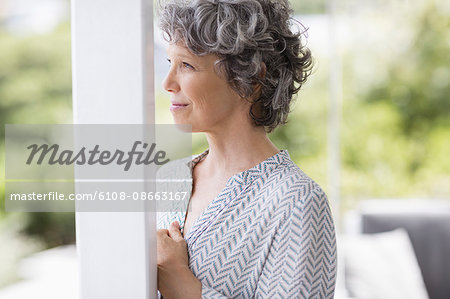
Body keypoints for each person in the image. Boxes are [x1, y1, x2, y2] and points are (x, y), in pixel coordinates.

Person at [156, 0, 337, 298]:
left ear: (251, 78)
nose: (167, 83)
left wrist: (181, 282)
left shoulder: (297, 202)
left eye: (186, 65)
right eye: (169, 63)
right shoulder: (167, 178)